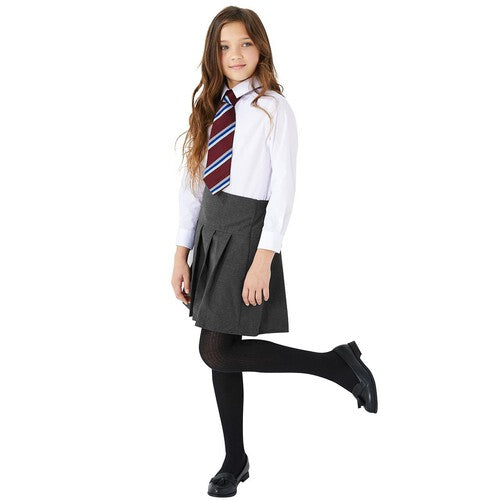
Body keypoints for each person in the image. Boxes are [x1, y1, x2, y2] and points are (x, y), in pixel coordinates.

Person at [171, 6, 378, 497]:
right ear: (213, 55)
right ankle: (236, 458)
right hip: (210, 231)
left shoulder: (273, 109)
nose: (235, 55)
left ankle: (334, 365)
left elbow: (283, 188)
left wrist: (263, 257)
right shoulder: (209, 108)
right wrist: (181, 251)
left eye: (244, 43)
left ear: (260, 47)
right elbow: (192, 184)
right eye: (225, 47)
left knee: (215, 349)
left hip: (247, 233)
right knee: (222, 349)